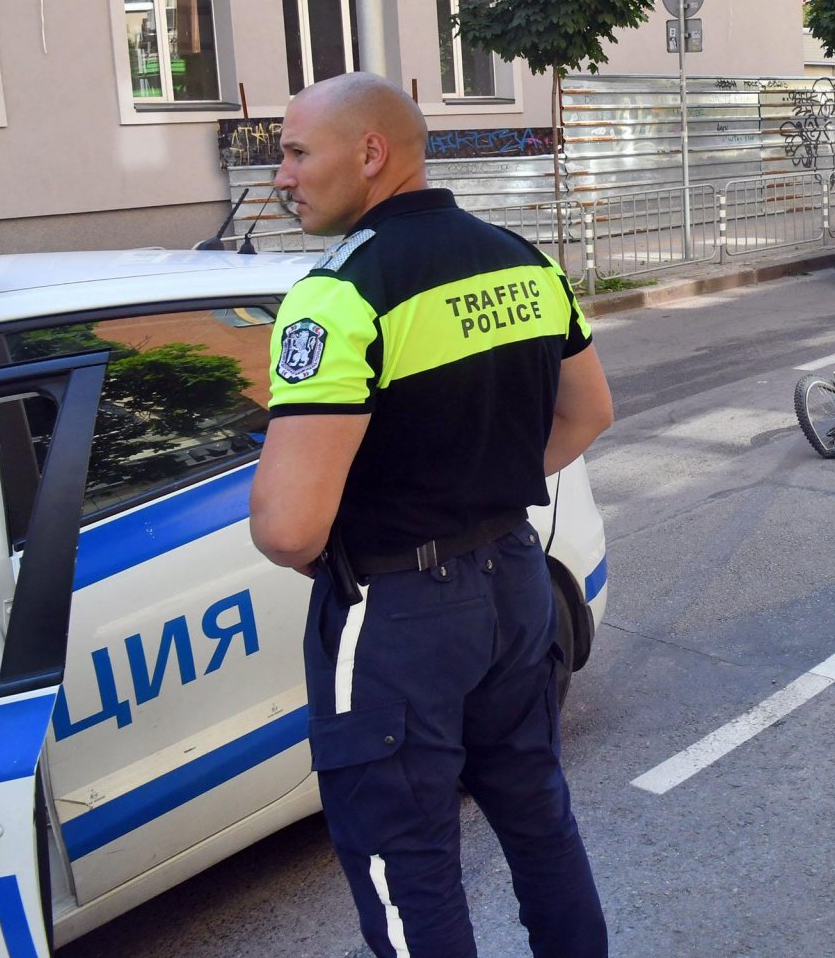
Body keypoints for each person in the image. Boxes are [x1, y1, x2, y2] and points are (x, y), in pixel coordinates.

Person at [250, 72, 614, 957]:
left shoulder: (337, 295)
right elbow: (589, 413)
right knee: (539, 824)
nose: (281, 177)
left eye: (297, 152)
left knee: (405, 868)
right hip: (515, 584)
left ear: (371, 154)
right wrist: (477, 487)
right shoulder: (523, 260)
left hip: (398, 615)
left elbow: (290, 529)